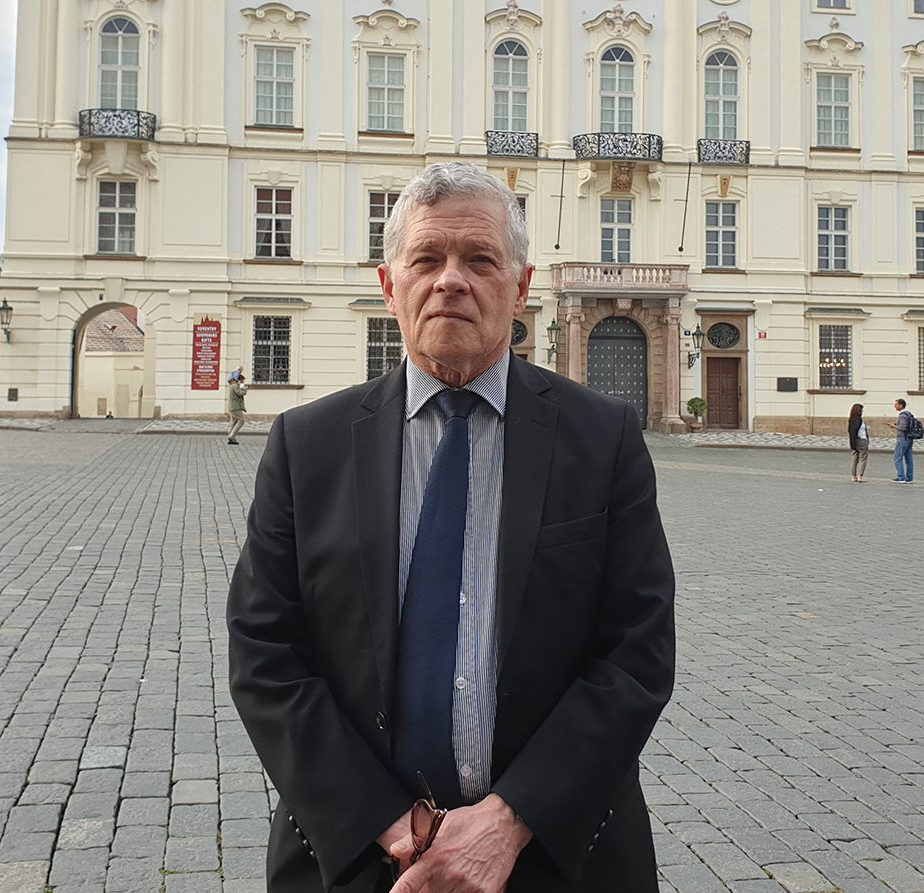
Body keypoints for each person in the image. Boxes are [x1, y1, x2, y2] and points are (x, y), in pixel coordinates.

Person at [228, 162, 676, 893]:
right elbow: (264, 652)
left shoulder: (604, 439)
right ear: (389, 285)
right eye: (427, 259)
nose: (451, 281)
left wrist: (508, 820)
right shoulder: (307, 445)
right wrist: (390, 824)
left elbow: (637, 653)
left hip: (555, 859)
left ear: (521, 287)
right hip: (359, 860)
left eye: (480, 259)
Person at [887, 398, 918, 483]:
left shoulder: (902, 415)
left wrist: (894, 426)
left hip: (903, 438)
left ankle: (901, 477)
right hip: (909, 438)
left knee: (898, 458)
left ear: (901, 405)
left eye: (896, 404)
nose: (895, 406)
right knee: (909, 459)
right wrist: (897, 423)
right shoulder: (908, 414)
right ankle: (909, 477)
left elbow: (903, 428)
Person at [847, 403, 869, 482]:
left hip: (854, 440)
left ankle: (853, 476)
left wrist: (852, 443)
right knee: (863, 458)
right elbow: (858, 430)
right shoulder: (859, 419)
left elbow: (850, 431)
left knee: (854, 459)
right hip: (861, 440)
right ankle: (860, 476)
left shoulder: (851, 419)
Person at [225, 370, 248, 445]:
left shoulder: (233, 385)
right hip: (236, 407)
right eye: (242, 381)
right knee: (241, 421)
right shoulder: (235, 386)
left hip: (232, 407)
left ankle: (231, 436)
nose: (243, 382)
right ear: (239, 380)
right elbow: (240, 393)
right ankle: (232, 435)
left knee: (234, 421)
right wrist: (244, 389)